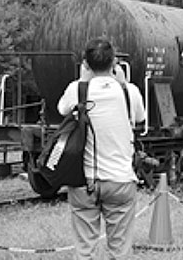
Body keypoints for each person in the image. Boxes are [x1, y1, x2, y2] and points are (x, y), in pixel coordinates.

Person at [58, 38, 145, 259]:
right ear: (115, 62)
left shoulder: (76, 89)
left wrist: (82, 80)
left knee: (84, 248)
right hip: (121, 180)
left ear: (85, 63)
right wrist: (124, 83)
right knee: (120, 248)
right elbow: (140, 117)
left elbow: (62, 109)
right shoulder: (130, 92)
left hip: (84, 180)